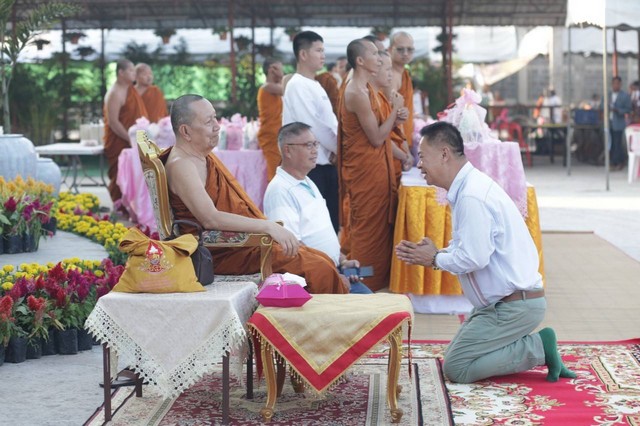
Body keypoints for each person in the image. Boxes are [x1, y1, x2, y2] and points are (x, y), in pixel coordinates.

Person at [395, 121, 576, 384]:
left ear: (444, 154)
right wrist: (438, 253)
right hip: (500, 304)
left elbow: (474, 258)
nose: (419, 164)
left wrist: (434, 258)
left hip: (515, 306)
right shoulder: (468, 188)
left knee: (457, 368)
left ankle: (538, 347)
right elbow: (472, 250)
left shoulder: (471, 195)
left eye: (422, 157)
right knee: (459, 354)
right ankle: (528, 343)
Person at [161, 94, 348, 294]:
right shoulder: (182, 165)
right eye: (209, 122)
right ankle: (324, 321)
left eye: (215, 118)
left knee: (321, 259)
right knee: (318, 269)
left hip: (238, 243)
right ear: (186, 131)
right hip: (222, 251)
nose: (217, 126)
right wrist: (267, 227)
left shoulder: (199, 157)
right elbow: (210, 219)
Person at [263, 122, 372, 294]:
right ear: (287, 150)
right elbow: (292, 249)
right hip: (317, 280)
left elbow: (317, 233)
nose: (315, 150)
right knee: (374, 310)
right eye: (308, 145)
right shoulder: (280, 190)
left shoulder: (306, 180)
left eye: (316, 144)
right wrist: (331, 276)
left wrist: (343, 262)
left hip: (334, 271)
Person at [339, 38, 403, 292]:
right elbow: (376, 138)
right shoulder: (356, 92)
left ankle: (376, 281)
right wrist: (394, 111)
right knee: (367, 226)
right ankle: (364, 283)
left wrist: (395, 117)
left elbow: (381, 129)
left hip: (375, 166)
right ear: (361, 61)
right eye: (375, 54)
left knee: (375, 225)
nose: (380, 58)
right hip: (366, 170)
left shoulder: (367, 89)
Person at [283, 31, 340, 233]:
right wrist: (339, 147)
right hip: (311, 166)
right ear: (303, 54)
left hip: (326, 161)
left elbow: (330, 123)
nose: (323, 55)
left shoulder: (315, 84)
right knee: (315, 226)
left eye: (323, 50)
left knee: (331, 222)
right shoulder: (297, 85)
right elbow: (311, 127)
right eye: (318, 50)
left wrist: (337, 146)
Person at [103, 59, 148, 205]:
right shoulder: (115, 93)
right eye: (131, 70)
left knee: (135, 174)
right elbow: (113, 122)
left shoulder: (131, 90)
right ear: (120, 73)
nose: (134, 74)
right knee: (119, 175)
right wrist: (130, 139)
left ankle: (134, 207)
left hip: (133, 141)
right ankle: (119, 206)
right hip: (119, 141)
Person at [257, 58, 284, 181]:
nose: (282, 72)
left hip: (278, 133)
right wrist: (281, 75)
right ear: (271, 70)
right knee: (275, 172)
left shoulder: (275, 87)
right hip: (270, 134)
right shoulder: (267, 87)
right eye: (279, 69)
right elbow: (288, 89)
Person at [389, 31, 415, 147]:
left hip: (403, 137)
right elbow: (394, 114)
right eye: (400, 49)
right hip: (396, 140)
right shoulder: (391, 74)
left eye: (410, 50)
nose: (405, 53)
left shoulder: (403, 72)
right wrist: (405, 152)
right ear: (390, 49)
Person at [608, 76, 632, 171]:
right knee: (611, 143)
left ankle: (617, 162)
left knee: (617, 143)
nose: (616, 85)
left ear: (620, 84)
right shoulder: (608, 95)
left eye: (617, 83)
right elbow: (602, 106)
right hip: (609, 122)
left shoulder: (625, 96)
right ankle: (616, 160)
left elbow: (628, 109)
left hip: (618, 122)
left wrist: (618, 110)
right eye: (614, 83)